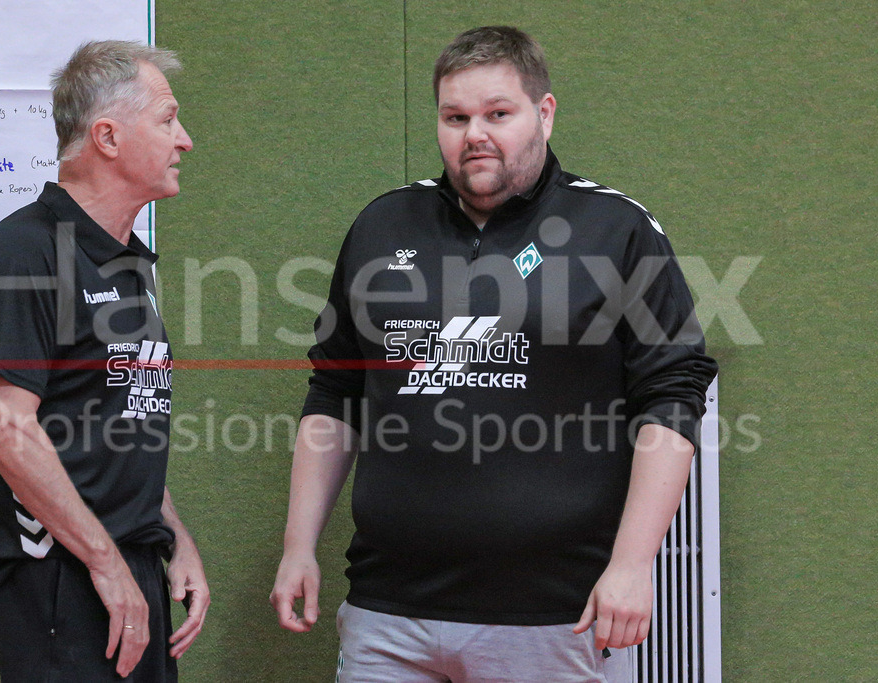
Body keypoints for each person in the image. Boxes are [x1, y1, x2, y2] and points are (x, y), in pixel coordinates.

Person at [270, 26, 718, 682]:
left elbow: (673, 397)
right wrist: (296, 545)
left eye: (497, 113)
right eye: (456, 117)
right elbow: (335, 389)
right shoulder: (383, 225)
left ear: (544, 112)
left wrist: (632, 564)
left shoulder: (614, 229)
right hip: (389, 617)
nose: (474, 133)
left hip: (559, 620)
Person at [0, 40, 208, 681]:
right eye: (167, 119)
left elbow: (120, 421)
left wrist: (170, 535)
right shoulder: (24, 250)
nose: (184, 140)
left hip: (130, 568)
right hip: (60, 579)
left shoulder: (127, 264)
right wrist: (105, 564)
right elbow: (6, 429)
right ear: (108, 136)